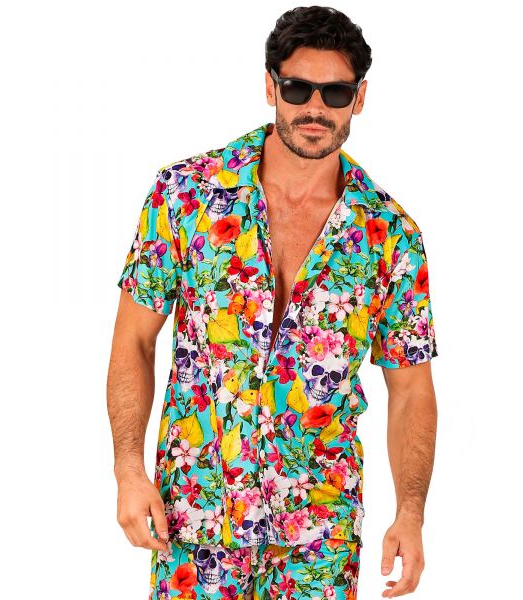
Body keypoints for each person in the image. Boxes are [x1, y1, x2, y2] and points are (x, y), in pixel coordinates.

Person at [107, 6, 438, 600]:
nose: (316, 107)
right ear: (270, 87)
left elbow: (411, 387)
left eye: (336, 92)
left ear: (359, 98)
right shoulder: (185, 196)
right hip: (194, 520)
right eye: (298, 88)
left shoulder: (391, 236)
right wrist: (128, 470)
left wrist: (410, 514)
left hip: (319, 534)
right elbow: (134, 338)